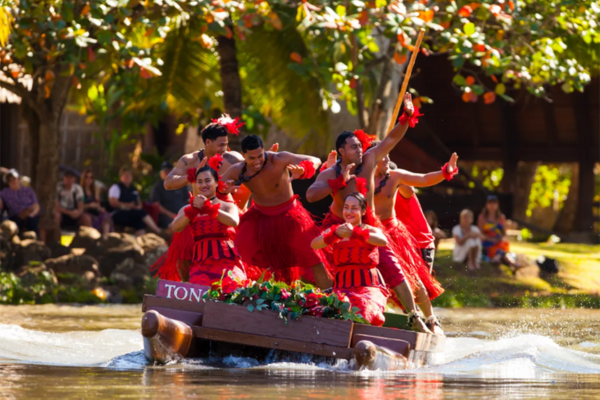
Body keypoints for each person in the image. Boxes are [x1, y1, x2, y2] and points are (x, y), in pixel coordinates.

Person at [307, 93, 432, 333]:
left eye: (359, 146)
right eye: (354, 147)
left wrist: (406, 117)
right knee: (316, 259)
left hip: (369, 224)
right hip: (337, 223)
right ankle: (327, 309)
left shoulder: (370, 160)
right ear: (341, 151)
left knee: (393, 267)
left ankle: (415, 316)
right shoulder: (331, 173)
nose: (360, 149)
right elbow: (311, 195)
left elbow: (391, 139)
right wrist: (338, 183)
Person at [220, 134, 332, 288]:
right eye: (252, 158)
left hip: (290, 216)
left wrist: (305, 169)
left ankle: (328, 300)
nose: (257, 161)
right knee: (236, 251)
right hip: (259, 218)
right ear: (244, 156)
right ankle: (231, 292)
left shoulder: (279, 159)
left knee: (314, 256)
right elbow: (216, 185)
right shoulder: (238, 170)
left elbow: (315, 160)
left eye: (260, 156)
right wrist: (223, 189)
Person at [369, 149, 457, 334]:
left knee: (414, 282)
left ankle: (431, 321)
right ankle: (401, 319)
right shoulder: (364, 181)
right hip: (377, 235)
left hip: (416, 241)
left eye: (388, 157)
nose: (386, 159)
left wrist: (445, 171)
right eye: (382, 156)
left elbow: (422, 180)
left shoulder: (398, 182)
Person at [375, 146, 458, 273]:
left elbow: (420, 182)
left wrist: (445, 172)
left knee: (421, 289)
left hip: (420, 244)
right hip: (399, 244)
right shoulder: (377, 194)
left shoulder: (403, 189)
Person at [311, 193, 390, 326]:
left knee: (364, 312)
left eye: (354, 208)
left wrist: (354, 234)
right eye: (346, 207)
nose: (349, 212)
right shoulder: (337, 231)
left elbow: (383, 241)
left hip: (368, 288)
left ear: (363, 211)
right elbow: (314, 244)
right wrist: (333, 234)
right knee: (336, 313)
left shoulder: (370, 230)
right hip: (342, 289)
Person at [170, 165, 246, 285]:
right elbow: (176, 227)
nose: (203, 185)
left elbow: (234, 221)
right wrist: (192, 211)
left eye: (207, 180)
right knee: (200, 294)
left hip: (228, 261)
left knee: (232, 289)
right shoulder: (188, 209)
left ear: (216, 183)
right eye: (199, 182)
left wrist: (209, 207)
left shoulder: (227, 206)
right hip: (200, 263)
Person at [108, 166, 161, 236]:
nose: (127, 177)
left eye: (129, 175)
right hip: (118, 213)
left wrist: (136, 207)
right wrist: (129, 205)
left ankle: (140, 242)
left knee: (140, 222)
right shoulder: (116, 187)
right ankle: (158, 230)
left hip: (132, 213)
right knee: (141, 213)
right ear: (121, 176)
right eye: (125, 175)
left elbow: (139, 204)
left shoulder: (133, 189)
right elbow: (113, 203)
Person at [477, 195, 520, 270]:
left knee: (501, 248)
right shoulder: (482, 217)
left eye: (494, 203)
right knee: (499, 250)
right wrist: (491, 239)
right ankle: (512, 263)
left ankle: (499, 259)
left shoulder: (501, 217)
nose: (492, 206)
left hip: (499, 242)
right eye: (490, 203)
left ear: (497, 205)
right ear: (487, 205)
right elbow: (480, 234)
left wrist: (501, 239)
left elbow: (504, 233)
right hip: (487, 243)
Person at [0, 169, 40, 235]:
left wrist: (32, 214)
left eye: (14, 179)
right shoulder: (4, 192)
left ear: (18, 179)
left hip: (30, 215)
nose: (12, 181)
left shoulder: (28, 190)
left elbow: (36, 205)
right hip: (15, 217)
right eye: (9, 180)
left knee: (32, 223)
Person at [152, 161, 188, 230]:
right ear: (161, 174)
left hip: (183, 214)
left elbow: (187, 200)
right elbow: (156, 205)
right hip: (167, 217)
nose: (168, 173)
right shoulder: (157, 187)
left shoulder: (181, 184)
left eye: (169, 171)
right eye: (165, 172)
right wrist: (171, 215)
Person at [80, 168, 112, 235]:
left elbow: (97, 203)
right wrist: (89, 205)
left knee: (106, 214)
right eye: (87, 177)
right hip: (84, 212)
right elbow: (79, 205)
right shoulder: (80, 190)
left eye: (91, 177)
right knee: (87, 218)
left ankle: (105, 237)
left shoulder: (94, 190)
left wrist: (99, 207)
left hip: (94, 211)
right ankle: (92, 237)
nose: (89, 179)